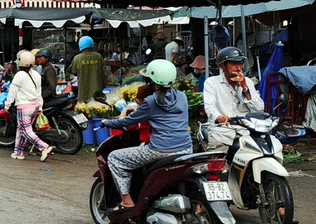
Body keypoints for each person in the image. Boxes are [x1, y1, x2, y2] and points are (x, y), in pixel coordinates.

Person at [101, 59, 193, 211]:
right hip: (186, 148)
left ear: (151, 81)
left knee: (114, 158)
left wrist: (107, 122)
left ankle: (126, 201)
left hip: (160, 150)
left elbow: (126, 122)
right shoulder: (182, 96)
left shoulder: (151, 101)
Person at [201, 46, 265, 150]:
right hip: (221, 131)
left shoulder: (248, 82)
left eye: (240, 63)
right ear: (223, 66)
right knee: (217, 154)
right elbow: (210, 106)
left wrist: (245, 88)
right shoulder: (211, 82)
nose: (238, 67)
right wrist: (219, 117)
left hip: (245, 129)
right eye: (233, 64)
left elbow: (259, 109)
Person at [6, 50, 53, 161]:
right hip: (35, 106)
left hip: (24, 107)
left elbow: (12, 92)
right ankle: (19, 152)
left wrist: (7, 105)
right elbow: (38, 92)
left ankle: (43, 147)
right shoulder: (36, 74)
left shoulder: (19, 75)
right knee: (21, 129)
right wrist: (40, 107)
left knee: (24, 130)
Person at [68, 36, 108, 103]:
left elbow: (72, 71)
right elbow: (104, 74)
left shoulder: (77, 58)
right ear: (92, 45)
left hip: (83, 94)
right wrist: (104, 86)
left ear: (80, 46)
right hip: (97, 94)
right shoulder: (98, 57)